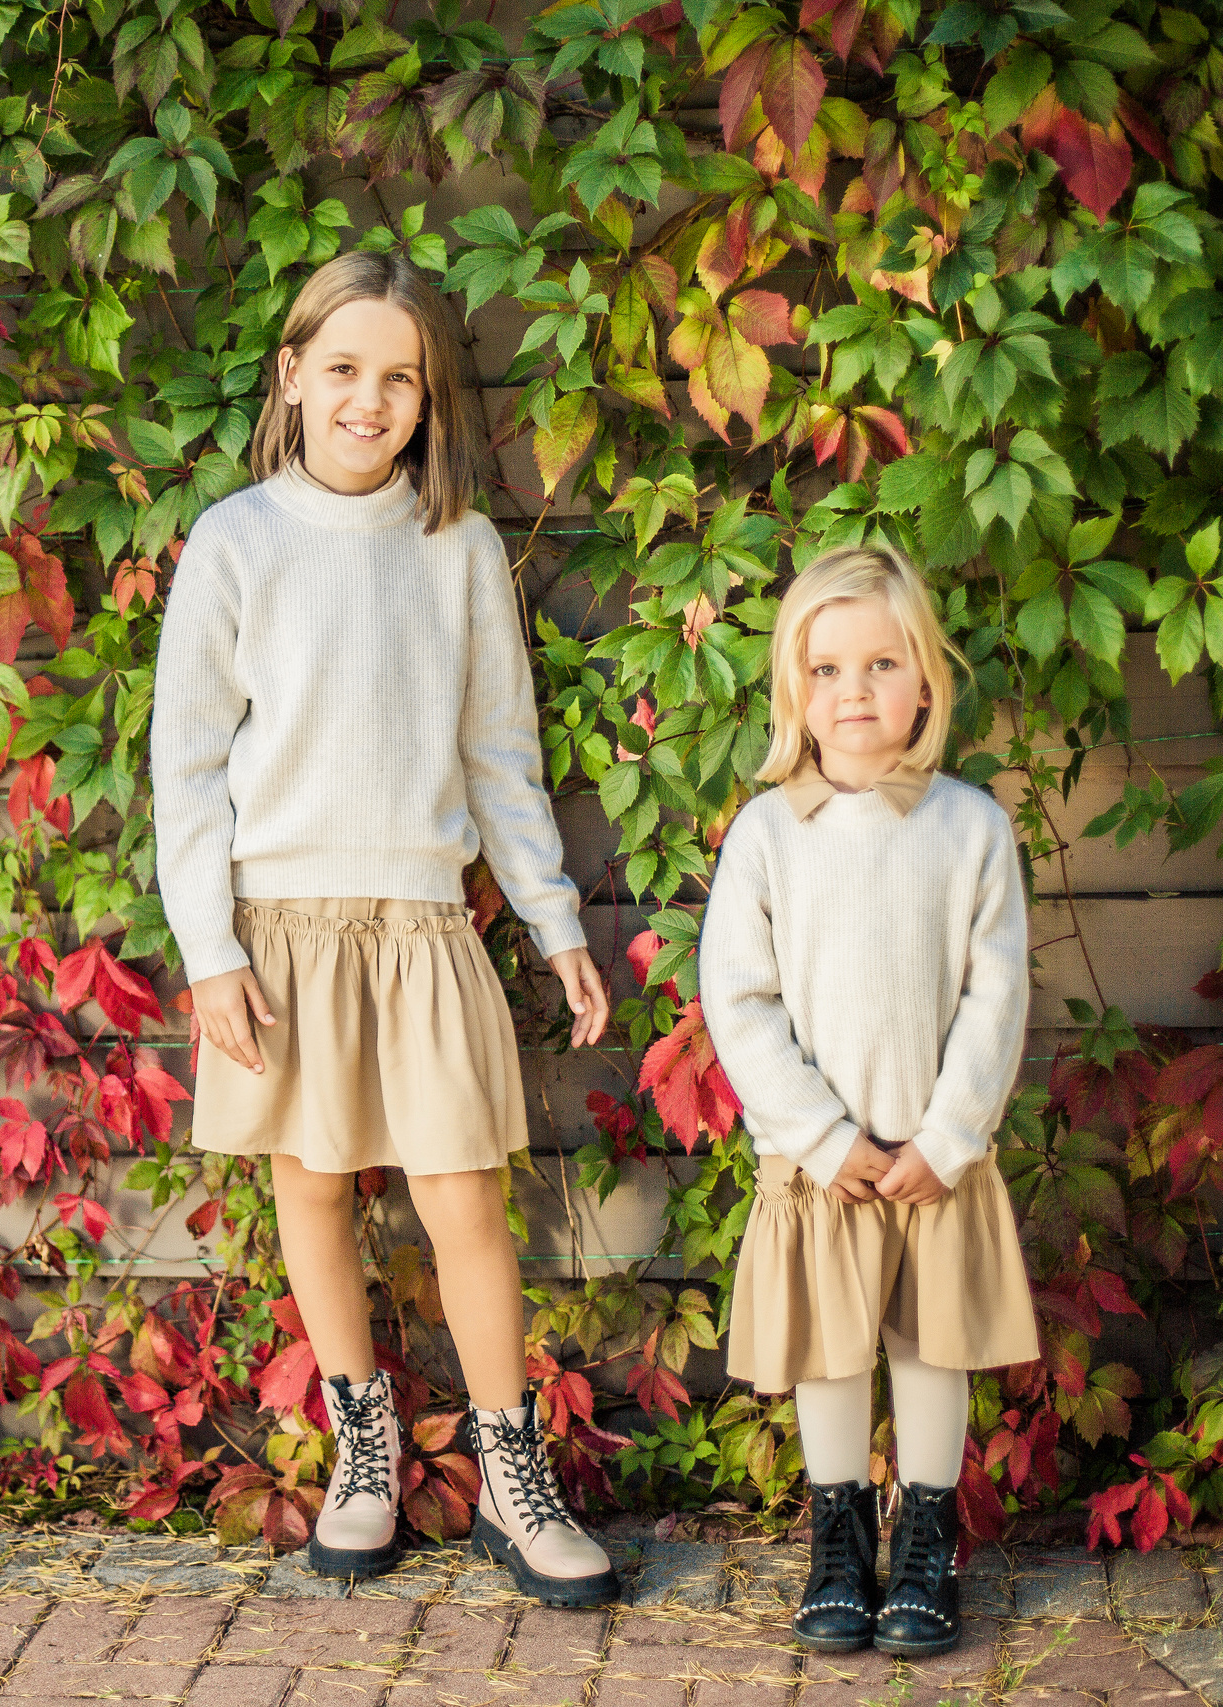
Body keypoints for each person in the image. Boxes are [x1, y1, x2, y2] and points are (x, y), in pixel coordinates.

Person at [148, 251, 620, 1607]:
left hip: (420, 923)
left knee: (462, 1192)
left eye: (399, 378)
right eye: (344, 368)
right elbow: (188, 766)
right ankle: (365, 1450)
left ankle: (511, 1475)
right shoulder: (236, 540)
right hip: (279, 927)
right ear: (292, 374)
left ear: (427, 399)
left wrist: (554, 921)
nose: (370, 399)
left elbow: (499, 754)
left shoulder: (455, 546)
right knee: (311, 1184)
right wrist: (209, 949)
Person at [697, 544, 1040, 1657]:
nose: (854, 691)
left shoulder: (970, 827)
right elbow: (738, 1000)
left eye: (882, 664)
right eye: (827, 668)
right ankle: (838, 1545)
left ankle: (927, 1546)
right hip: (825, 1168)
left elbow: (997, 993)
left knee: (931, 1349)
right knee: (833, 1353)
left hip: (935, 1160)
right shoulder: (767, 836)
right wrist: (819, 1135)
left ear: (925, 684)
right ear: (794, 691)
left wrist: (950, 1135)